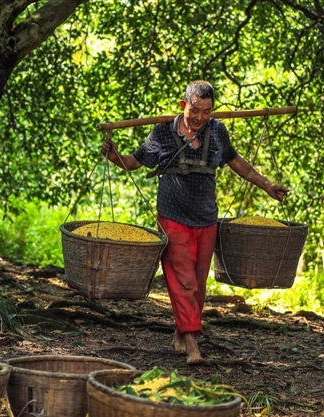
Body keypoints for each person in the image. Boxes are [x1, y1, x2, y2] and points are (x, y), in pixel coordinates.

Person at [101, 80, 288, 365]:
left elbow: (237, 162)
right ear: (183, 105)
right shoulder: (163, 133)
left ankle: (181, 331)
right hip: (172, 215)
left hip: (205, 217)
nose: (200, 117)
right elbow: (135, 162)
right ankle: (191, 344)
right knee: (182, 281)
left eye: (207, 111)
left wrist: (266, 184)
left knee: (198, 285)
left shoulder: (216, 131)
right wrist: (114, 156)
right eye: (195, 110)